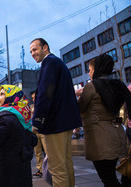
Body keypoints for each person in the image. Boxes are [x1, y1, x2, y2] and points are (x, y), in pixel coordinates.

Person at [30, 38, 82, 187]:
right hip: (64, 123)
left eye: (35, 49)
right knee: (65, 164)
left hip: (55, 124)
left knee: (57, 168)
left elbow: (45, 93)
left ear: (45, 47)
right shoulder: (58, 63)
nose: (33, 53)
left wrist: (37, 120)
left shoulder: (49, 63)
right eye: (31, 51)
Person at [76, 54, 131, 187]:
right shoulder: (119, 84)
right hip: (116, 135)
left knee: (108, 178)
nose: (89, 73)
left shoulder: (92, 86)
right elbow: (124, 111)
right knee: (111, 175)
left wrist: (78, 95)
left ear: (96, 69)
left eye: (89, 70)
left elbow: (80, 108)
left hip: (99, 138)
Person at [30, 91, 47, 177]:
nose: (34, 99)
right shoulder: (31, 107)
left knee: (47, 152)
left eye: (35, 97)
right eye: (32, 98)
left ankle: (49, 169)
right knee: (37, 152)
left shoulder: (43, 105)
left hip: (43, 131)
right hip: (35, 132)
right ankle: (40, 169)